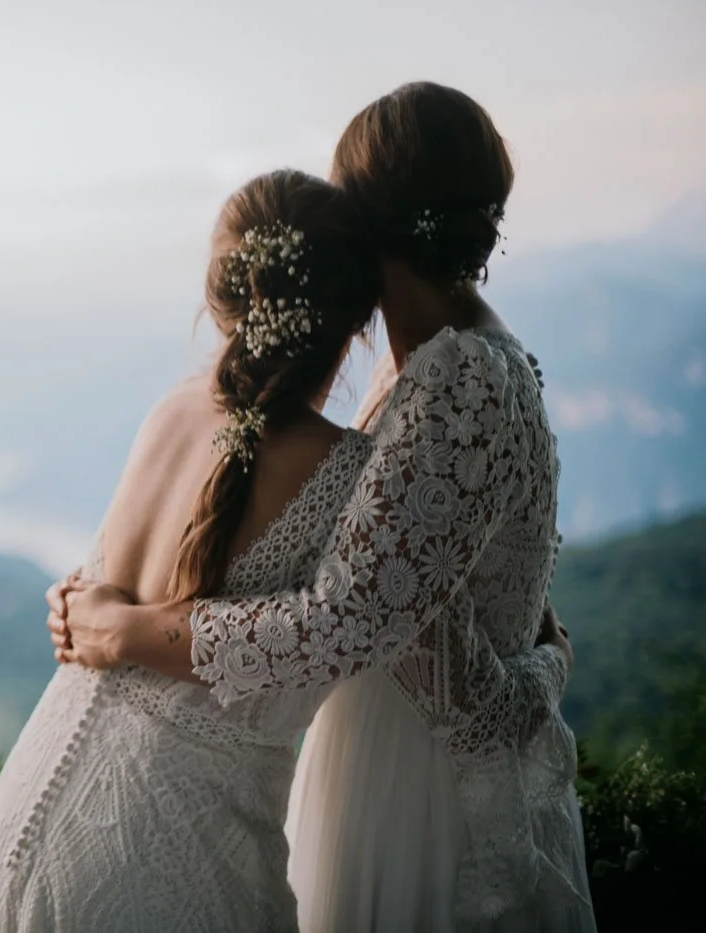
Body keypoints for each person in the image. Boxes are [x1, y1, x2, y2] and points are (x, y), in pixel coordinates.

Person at [49, 83, 594, 931]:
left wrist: (127, 629)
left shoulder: (460, 378)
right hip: (382, 759)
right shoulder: (438, 362)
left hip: (419, 799)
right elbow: (438, 583)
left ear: (364, 220)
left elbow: (348, 623)